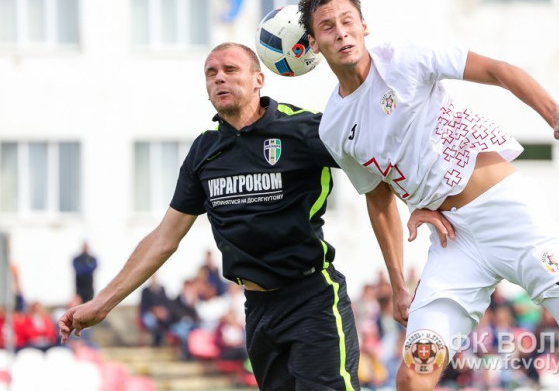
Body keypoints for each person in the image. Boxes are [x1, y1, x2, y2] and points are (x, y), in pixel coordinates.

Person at [298, 0, 559, 390]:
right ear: (314, 44)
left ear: (363, 26)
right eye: (328, 27)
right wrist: (399, 284)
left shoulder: (404, 59)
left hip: (508, 215)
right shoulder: (334, 127)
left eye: (347, 21)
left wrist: (554, 113)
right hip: (452, 243)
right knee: (414, 374)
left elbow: (498, 70)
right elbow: (378, 196)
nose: (341, 32)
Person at [58, 42, 360, 391]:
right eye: (211, 73)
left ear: (259, 79)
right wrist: (102, 303)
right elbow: (164, 238)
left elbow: (376, 161)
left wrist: (414, 222)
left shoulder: (302, 129)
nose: (219, 78)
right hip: (258, 309)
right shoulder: (204, 151)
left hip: (312, 299)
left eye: (231, 70)